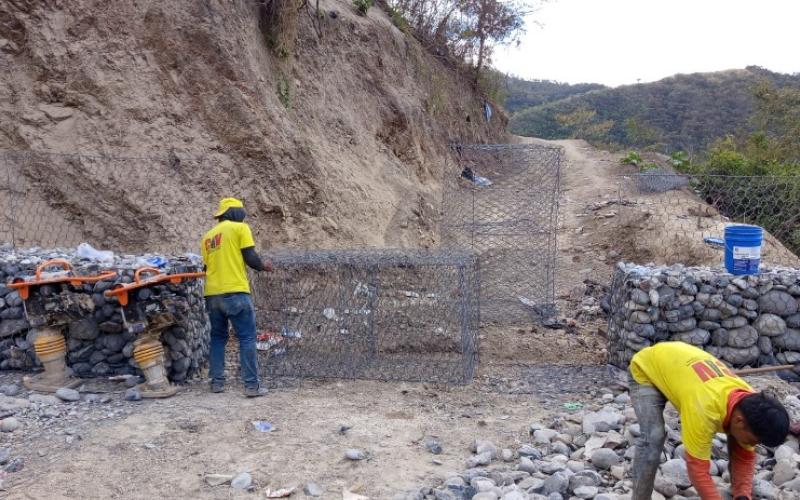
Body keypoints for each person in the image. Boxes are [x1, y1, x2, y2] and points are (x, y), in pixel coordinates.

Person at [629, 341, 790, 500]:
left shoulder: (751, 403)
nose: (752, 446)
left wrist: (743, 495)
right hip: (647, 369)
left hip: (677, 364)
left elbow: (743, 457)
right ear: (739, 421)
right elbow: (697, 471)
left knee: (740, 442)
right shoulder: (704, 410)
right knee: (653, 437)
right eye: (753, 441)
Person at [201, 197, 272, 397]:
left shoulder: (207, 236)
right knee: (247, 337)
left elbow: (206, 267)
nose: (244, 214)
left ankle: (216, 382)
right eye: (241, 210)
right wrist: (263, 266)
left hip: (212, 294)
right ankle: (251, 386)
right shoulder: (240, 228)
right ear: (232, 212)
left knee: (217, 337)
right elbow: (250, 257)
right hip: (236, 292)